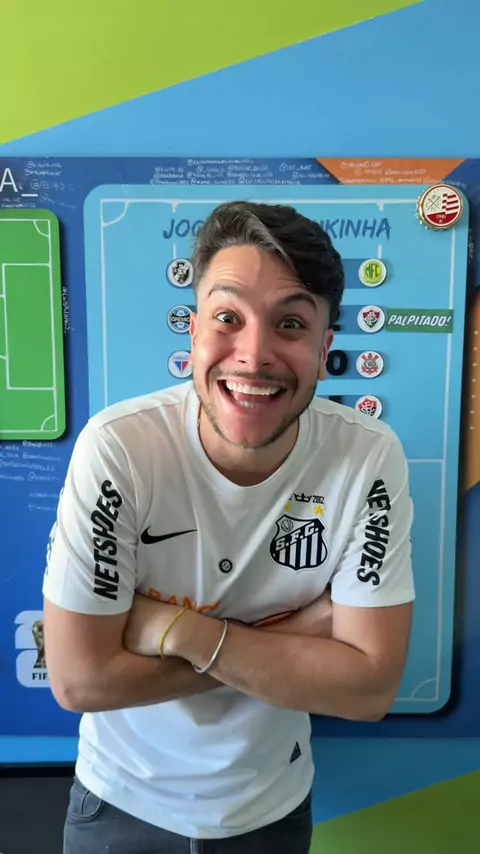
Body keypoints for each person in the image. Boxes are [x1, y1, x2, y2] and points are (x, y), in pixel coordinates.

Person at [43, 201, 415, 854]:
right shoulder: (119, 448)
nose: (254, 354)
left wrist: (177, 631)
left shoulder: (367, 456)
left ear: (325, 348)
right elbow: (80, 681)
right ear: (193, 332)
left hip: (271, 810)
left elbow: (368, 690)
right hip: (118, 804)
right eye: (228, 318)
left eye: (291, 323)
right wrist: (291, 638)